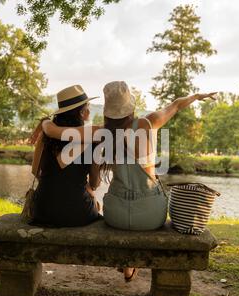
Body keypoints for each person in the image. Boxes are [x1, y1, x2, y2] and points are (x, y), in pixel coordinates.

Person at [42, 81, 216, 281]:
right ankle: (130, 265)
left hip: (115, 214)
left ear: (107, 111)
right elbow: (176, 104)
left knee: (117, 209)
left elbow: (53, 132)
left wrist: (44, 122)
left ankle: (128, 263)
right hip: (151, 215)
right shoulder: (148, 123)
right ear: (130, 106)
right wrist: (196, 96)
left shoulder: (101, 132)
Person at [30, 85, 102, 228]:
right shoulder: (92, 138)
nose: (89, 109)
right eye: (87, 106)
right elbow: (95, 183)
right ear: (82, 112)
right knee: (96, 204)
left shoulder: (46, 136)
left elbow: (35, 171)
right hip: (78, 213)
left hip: (42, 211)